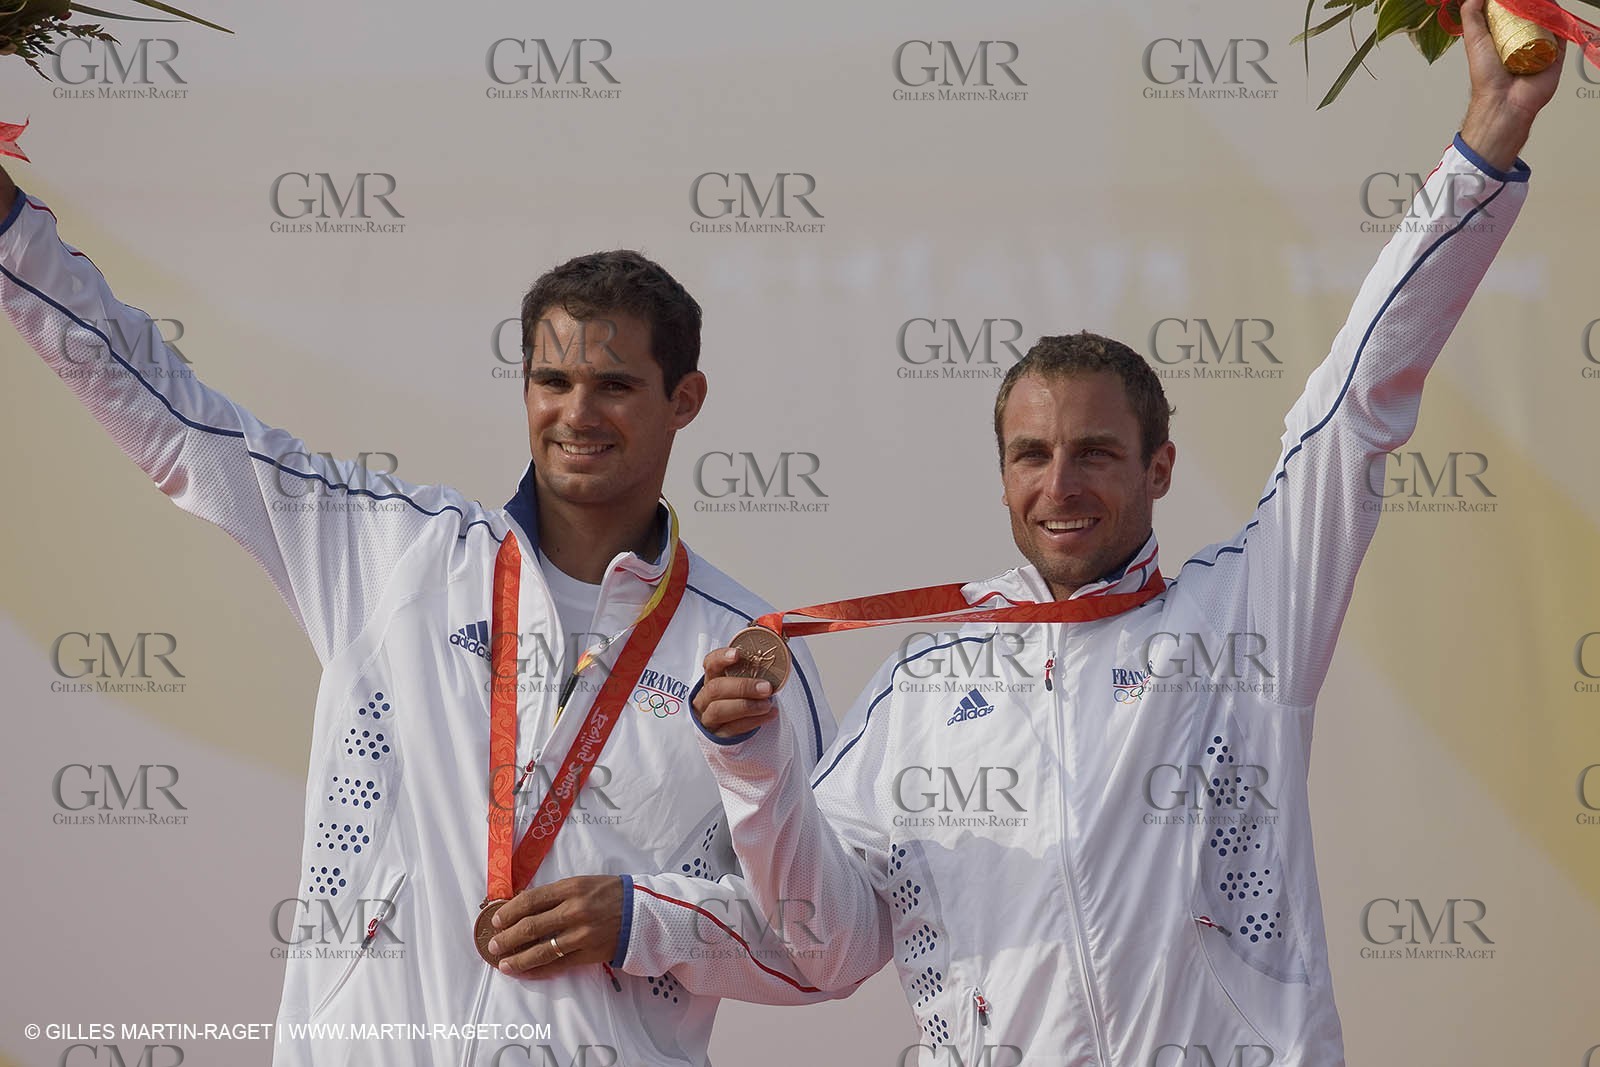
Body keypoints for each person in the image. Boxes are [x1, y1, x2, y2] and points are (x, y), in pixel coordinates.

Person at [690, 2, 1560, 1063]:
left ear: (1158, 468)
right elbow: (823, 946)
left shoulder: (1245, 611)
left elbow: (1356, 403)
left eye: (1095, 452)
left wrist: (1484, 142)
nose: (1060, 484)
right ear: (1003, 473)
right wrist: (753, 760)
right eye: (1031, 455)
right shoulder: (921, 688)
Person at [0, 161, 840, 1065]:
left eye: (616, 386)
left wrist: (647, 921)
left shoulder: (746, 653)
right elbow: (180, 426)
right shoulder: (400, 555)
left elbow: (823, 947)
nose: (576, 413)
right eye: (551, 380)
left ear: (685, 399)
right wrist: (13, 232)